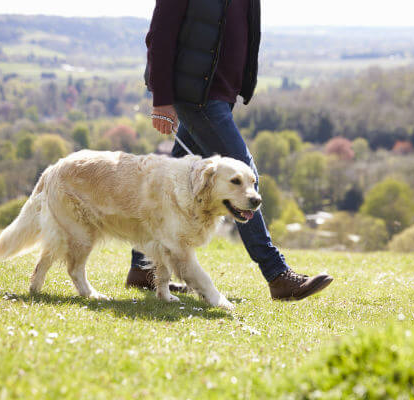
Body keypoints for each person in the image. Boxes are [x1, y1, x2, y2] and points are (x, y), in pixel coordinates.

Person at [126, 0, 333, 301]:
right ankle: (277, 275)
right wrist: (162, 99)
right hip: (197, 96)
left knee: (164, 187)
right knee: (244, 175)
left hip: (218, 95)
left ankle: (143, 269)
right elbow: (160, 34)